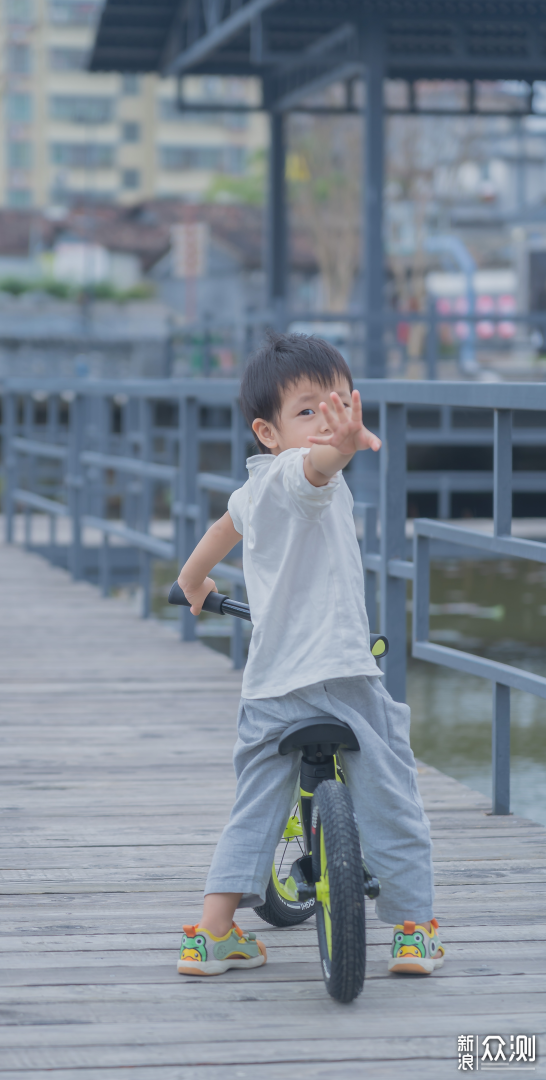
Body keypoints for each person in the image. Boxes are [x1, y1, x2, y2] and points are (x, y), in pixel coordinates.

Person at [176, 332, 444, 979]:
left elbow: (221, 531)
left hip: (268, 686)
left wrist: (193, 584)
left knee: (255, 803)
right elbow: (317, 471)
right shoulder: (304, 474)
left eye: (336, 405)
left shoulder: (257, 485)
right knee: (390, 791)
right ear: (268, 432)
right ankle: (413, 930)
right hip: (341, 674)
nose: (325, 420)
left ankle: (212, 935)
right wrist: (339, 449)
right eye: (307, 412)